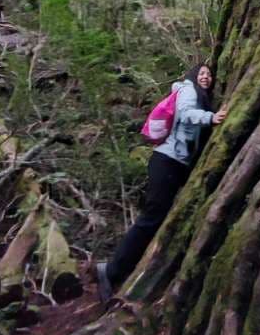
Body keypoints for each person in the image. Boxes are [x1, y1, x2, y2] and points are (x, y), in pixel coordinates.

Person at [96, 63, 227, 301]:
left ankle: (123, 269)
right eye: (202, 73)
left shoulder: (200, 95)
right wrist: (211, 117)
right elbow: (185, 114)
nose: (206, 77)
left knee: (159, 219)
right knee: (151, 218)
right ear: (192, 76)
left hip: (175, 163)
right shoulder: (188, 90)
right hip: (166, 160)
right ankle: (110, 270)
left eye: (209, 74)